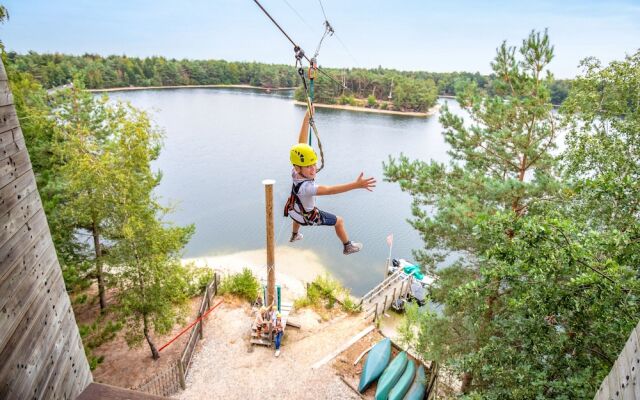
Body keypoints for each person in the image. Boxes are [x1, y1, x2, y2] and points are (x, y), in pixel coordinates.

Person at [285, 110, 376, 255]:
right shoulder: (307, 188)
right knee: (339, 221)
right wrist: (356, 185)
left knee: (299, 209)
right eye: (308, 166)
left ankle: (295, 234)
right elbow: (330, 190)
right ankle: (347, 246)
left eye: (313, 164)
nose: (313, 168)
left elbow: (301, 144)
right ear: (299, 167)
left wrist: (306, 117)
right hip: (307, 218)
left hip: (293, 211)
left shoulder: (295, 172)